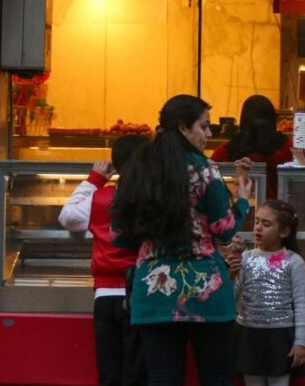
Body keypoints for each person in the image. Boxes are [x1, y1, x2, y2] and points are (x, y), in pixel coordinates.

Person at [111, 94, 253, 386]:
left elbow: (118, 233)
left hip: (153, 292)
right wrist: (242, 202)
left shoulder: (137, 168)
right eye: (204, 126)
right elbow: (224, 229)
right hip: (207, 291)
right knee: (216, 378)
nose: (209, 134)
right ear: (183, 128)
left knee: (162, 378)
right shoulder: (204, 170)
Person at [59, 135, 149, 386]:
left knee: (109, 374)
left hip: (105, 296)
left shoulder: (99, 198)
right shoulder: (153, 198)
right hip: (140, 294)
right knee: (136, 375)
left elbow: (67, 216)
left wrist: (94, 180)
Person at [234, 199, 305, 386]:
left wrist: (301, 342)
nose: (258, 227)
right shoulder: (246, 258)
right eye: (257, 221)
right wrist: (230, 274)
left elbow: (301, 304)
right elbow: (231, 297)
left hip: (280, 336)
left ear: (284, 232)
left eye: (266, 224)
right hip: (248, 334)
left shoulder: (294, 261)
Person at [212, 95, 291, 199]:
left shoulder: (226, 151)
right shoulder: (287, 149)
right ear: (273, 119)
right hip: (277, 212)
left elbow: (209, 182)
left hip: (238, 211)